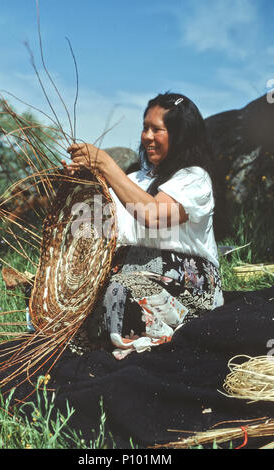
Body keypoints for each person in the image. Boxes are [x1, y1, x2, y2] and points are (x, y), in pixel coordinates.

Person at [61, 92, 224, 359]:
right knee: (64, 297)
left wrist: (106, 165)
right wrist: (85, 186)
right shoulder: (133, 179)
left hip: (184, 287)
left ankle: (154, 337)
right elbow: (98, 228)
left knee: (120, 292)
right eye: (144, 127)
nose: (147, 136)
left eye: (156, 129)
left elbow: (154, 216)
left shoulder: (195, 179)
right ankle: (119, 338)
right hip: (125, 275)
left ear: (180, 134)